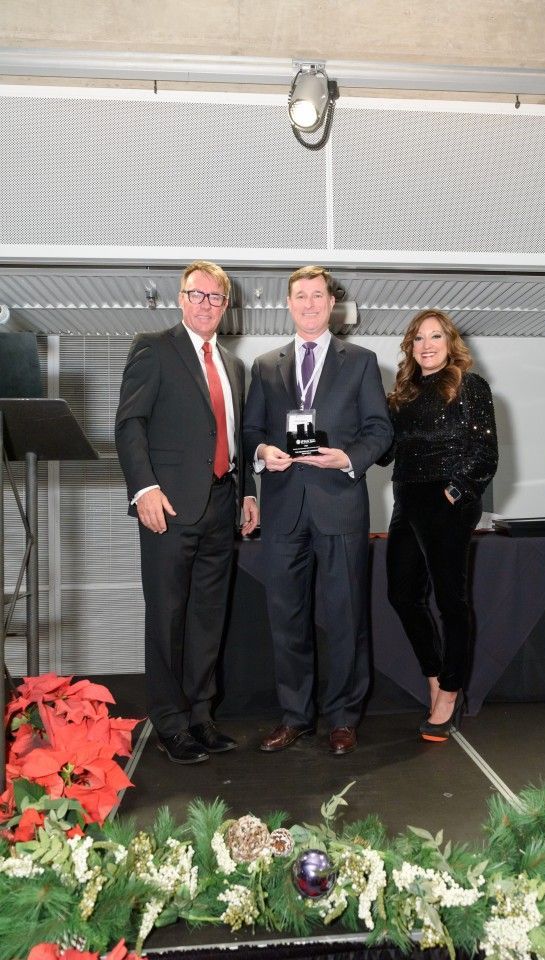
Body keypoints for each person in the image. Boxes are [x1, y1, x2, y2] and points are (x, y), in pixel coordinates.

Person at [243, 265, 393, 756]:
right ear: (288, 305)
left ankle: (344, 717)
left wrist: (348, 458)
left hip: (340, 506)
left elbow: (380, 431)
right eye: (300, 296)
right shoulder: (265, 366)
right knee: (286, 617)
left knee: (346, 617)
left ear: (333, 305)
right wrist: (264, 453)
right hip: (285, 509)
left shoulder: (363, 361)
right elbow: (250, 433)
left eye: (317, 295)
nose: (309, 303)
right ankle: (295, 716)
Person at [115, 260, 258, 764]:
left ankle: (200, 716)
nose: (206, 305)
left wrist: (247, 492)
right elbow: (130, 424)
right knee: (167, 616)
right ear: (181, 298)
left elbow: (236, 439)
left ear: (225, 306)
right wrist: (144, 489)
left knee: (206, 618)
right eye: (197, 295)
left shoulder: (234, 366)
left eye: (216, 298)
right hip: (169, 508)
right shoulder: (153, 348)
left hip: (222, 503)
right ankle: (169, 722)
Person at [382, 309, 498, 742]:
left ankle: (450, 693)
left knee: (451, 601)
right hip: (406, 500)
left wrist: (453, 493)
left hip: (447, 500)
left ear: (450, 343)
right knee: (401, 594)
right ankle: (435, 676)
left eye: (435, 336)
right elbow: (383, 452)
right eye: (418, 338)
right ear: (409, 347)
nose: (426, 345)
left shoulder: (469, 386)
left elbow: (485, 453)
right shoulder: (401, 396)